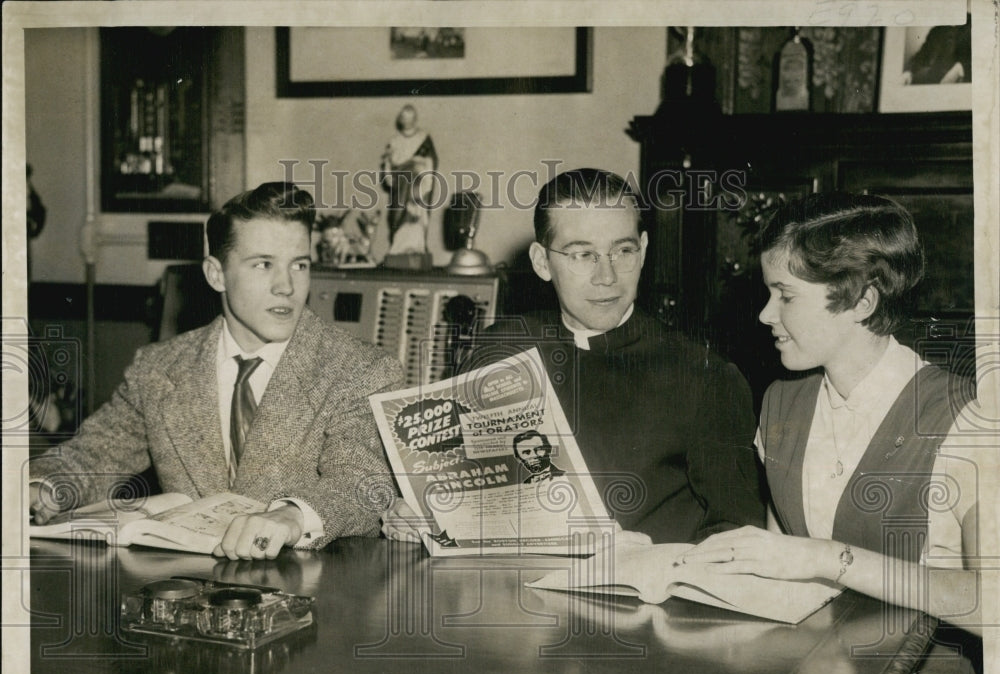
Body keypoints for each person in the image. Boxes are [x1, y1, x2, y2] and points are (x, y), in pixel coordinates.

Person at [678, 192, 985, 674]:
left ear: (862, 301)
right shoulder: (781, 401)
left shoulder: (968, 418)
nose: (764, 313)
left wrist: (828, 558)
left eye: (785, 296)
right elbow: (781, 573)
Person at [385, 168, 765, 543]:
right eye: (582, 255)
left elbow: (738, 535)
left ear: (644, 250)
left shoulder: (703, 375)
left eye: (623, 251)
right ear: (540, 262)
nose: (607, 276)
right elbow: (453, 491)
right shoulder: (498, 351)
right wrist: (417, 515)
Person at [30, 182, 404, 560]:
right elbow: (95, 454)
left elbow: (360, 485)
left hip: (311, 603)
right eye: (263, 264)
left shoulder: (360, 370)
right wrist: (44, 485)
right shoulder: (158, 369)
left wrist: (290, 517)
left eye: (299, 265)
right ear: (216, 275)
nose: (287, 286)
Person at [380, 104, 438, 255]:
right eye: (404, 118)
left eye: (410, 118)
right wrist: (388, 173)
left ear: (415, 119)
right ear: (401, 120)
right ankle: (398, 247)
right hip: (400, 188)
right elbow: (389, 165)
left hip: (417, 188)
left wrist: (419, 167)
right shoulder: (394, 141)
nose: (407, 121)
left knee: (416, 216)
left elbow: (431, 162)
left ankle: (416, 246)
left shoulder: (423, 138)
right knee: (397, 215)